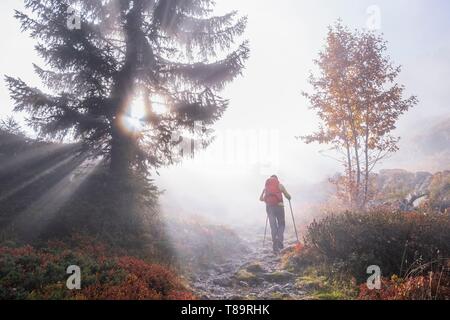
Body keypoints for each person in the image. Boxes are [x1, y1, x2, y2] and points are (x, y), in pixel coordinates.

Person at [259, 175, 291, 253]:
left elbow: (261, 199)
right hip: (279, 207)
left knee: (273, 226)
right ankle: (280, 240)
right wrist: (289, 198)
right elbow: (288, 196)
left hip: (269, 208)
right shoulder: (279, 185)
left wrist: (267, 200)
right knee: (281, 224)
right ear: (276, 179)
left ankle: (275, 245)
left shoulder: (266, 188)